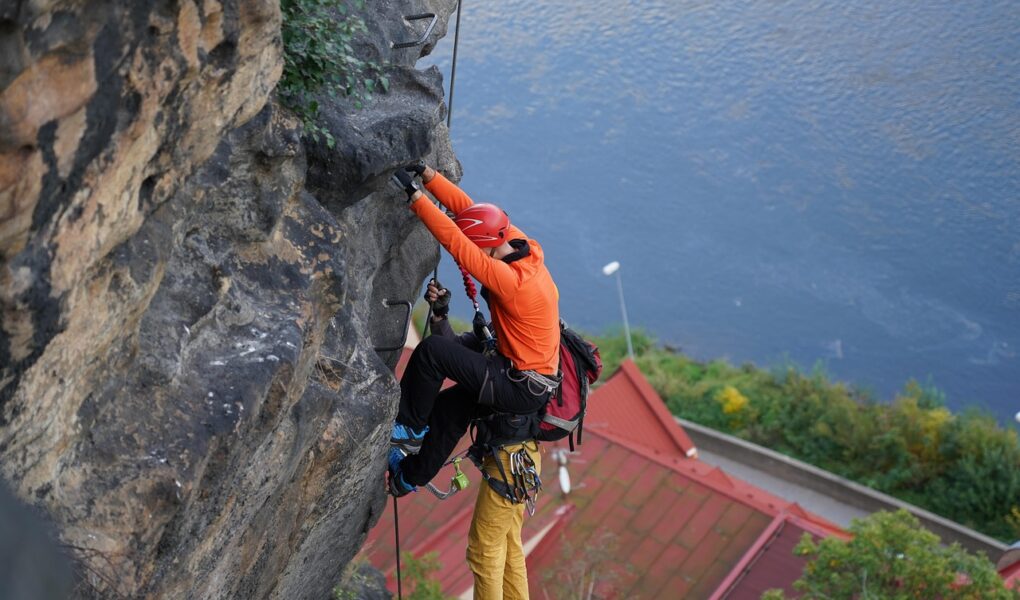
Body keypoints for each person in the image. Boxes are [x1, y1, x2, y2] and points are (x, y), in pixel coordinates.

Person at [389, 162, 561, 599]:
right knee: (451, 408)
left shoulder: (513, 283)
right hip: (519, 374)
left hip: (516, 382)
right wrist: (429, 176)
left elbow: (457, 242)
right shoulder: (519, 244)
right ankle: (409, 475)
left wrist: (415, 199)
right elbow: (470, 216)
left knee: (432, 353)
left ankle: (406, 429)